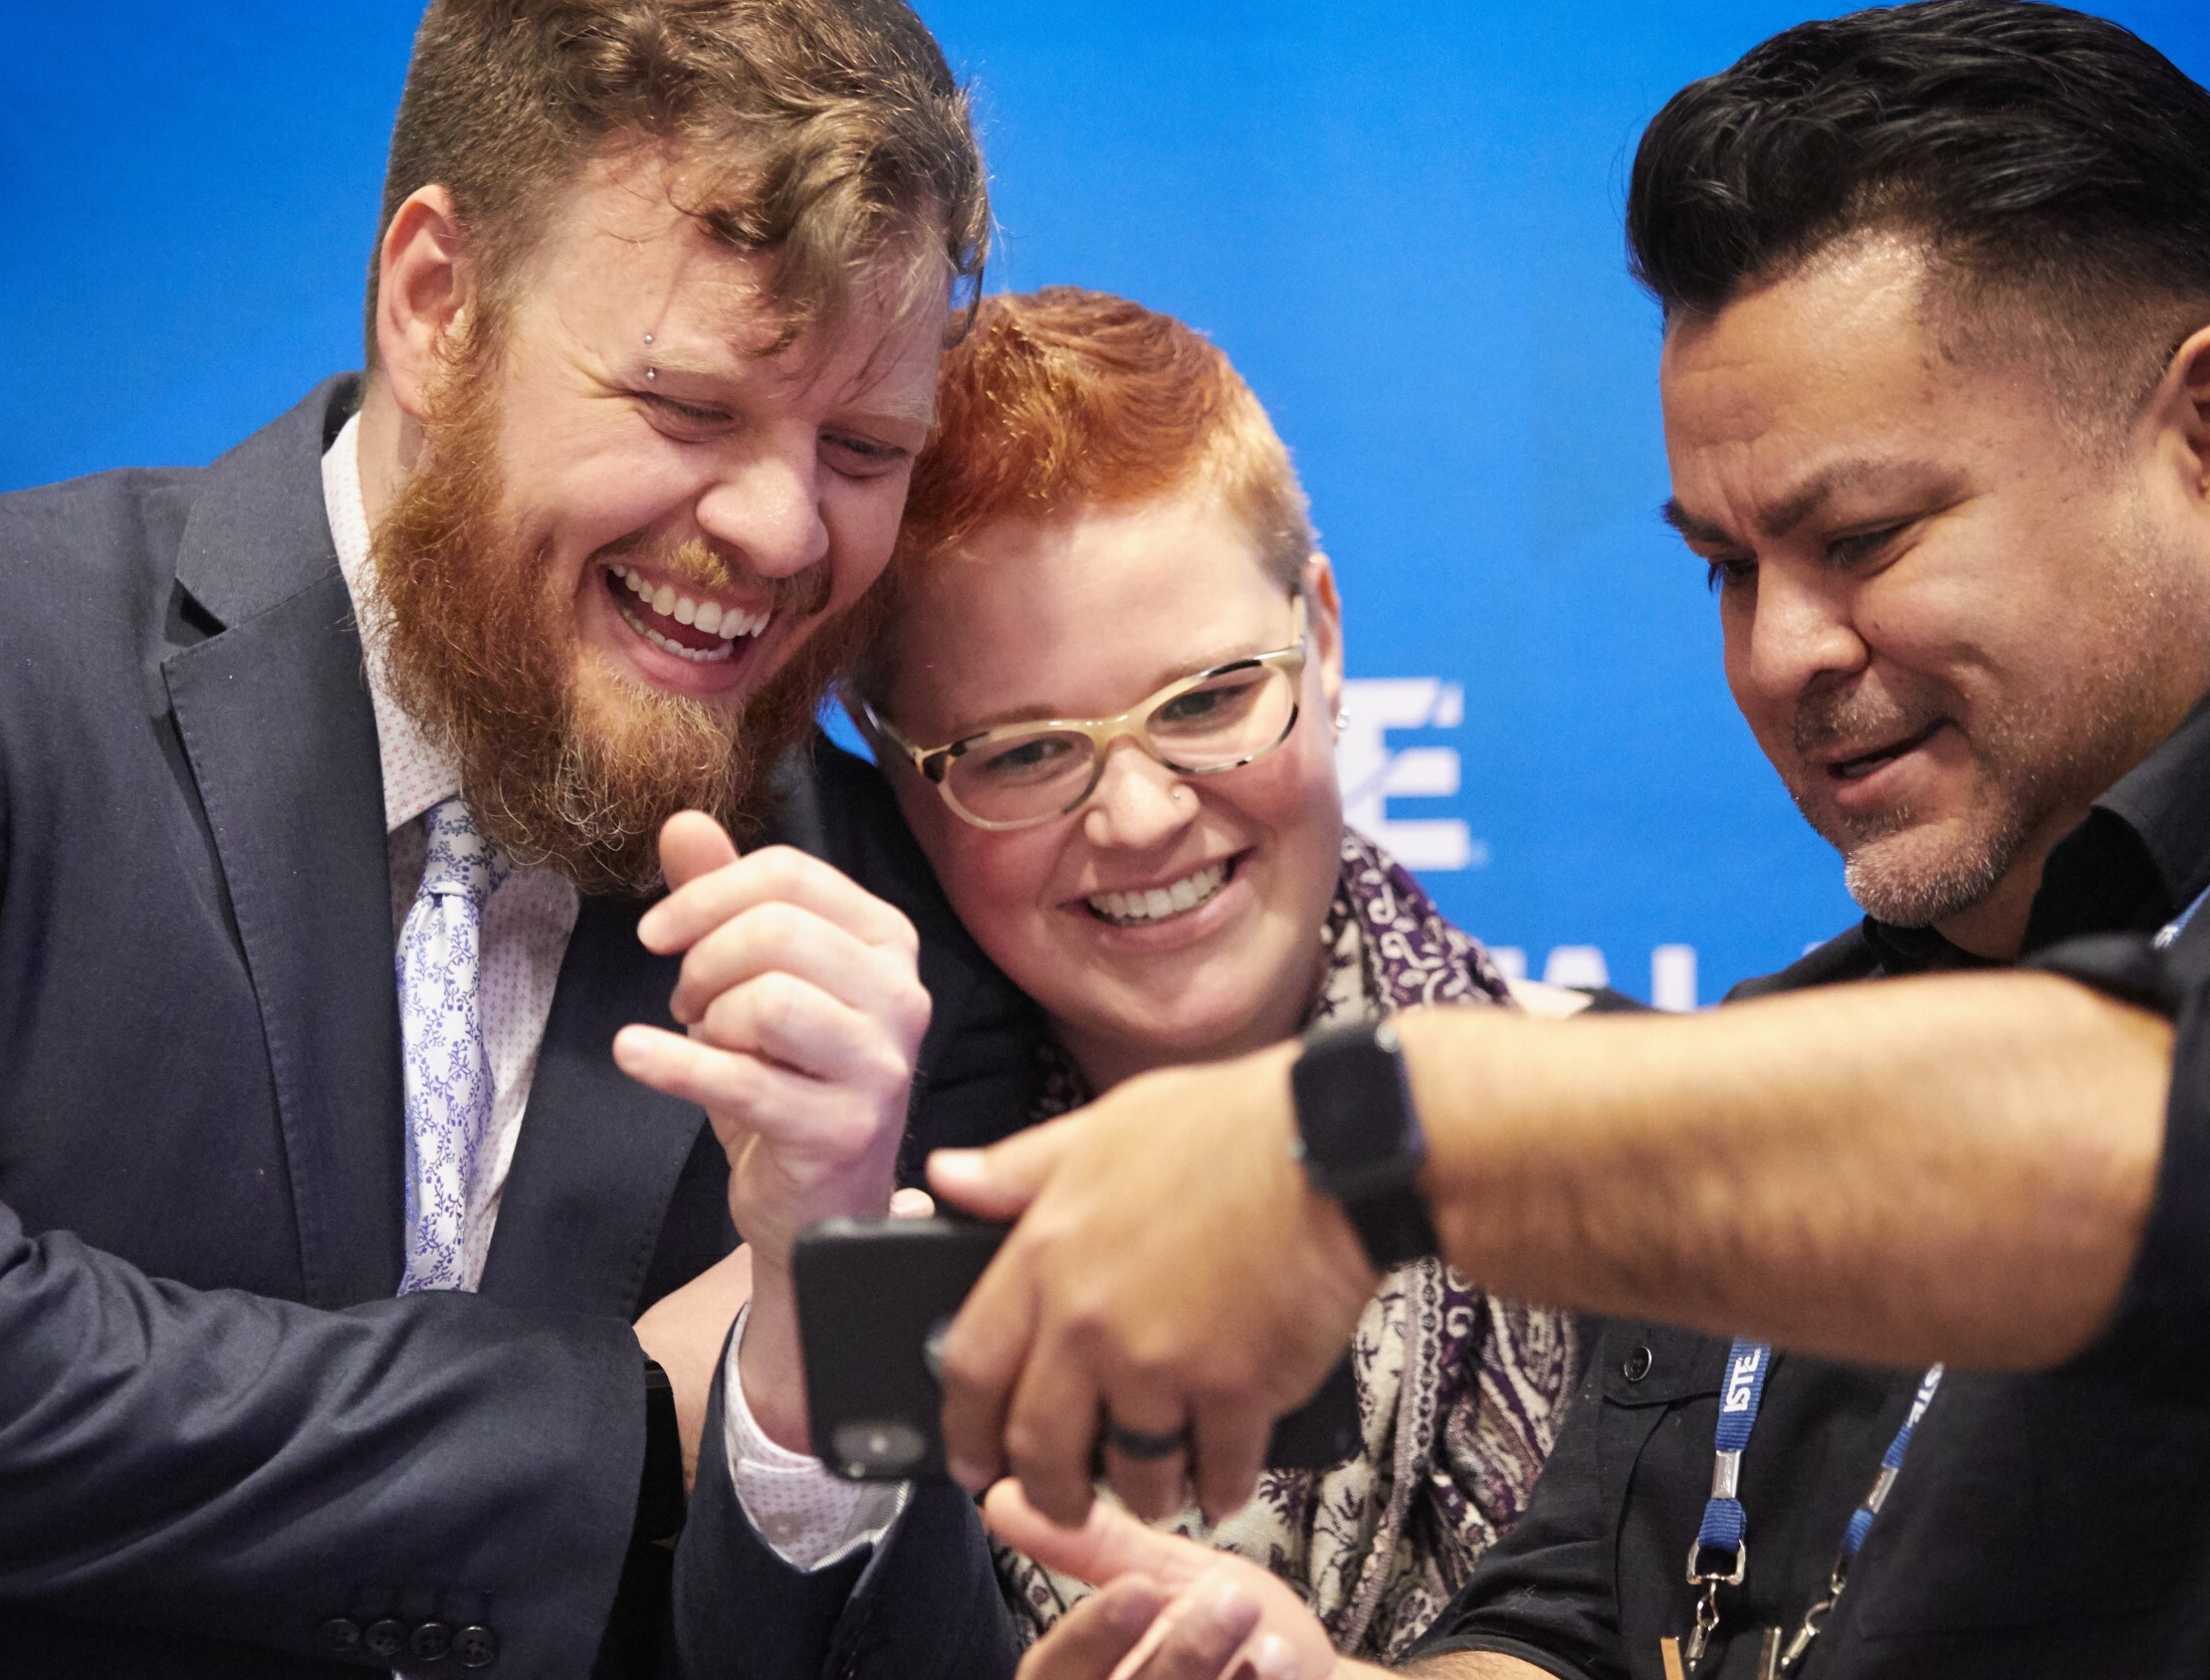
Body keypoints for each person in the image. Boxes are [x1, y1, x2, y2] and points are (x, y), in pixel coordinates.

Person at [923, 4, 2210, 1678]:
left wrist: (1360, 1149)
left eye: (1865, 536)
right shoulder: (1792, 1044)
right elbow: (1576, 1624)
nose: (1777, 655)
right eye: (1728, 568)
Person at [0, 4, 1053, 1676]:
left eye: (864, 450)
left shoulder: (877, 927)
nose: (784, 528)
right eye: (690, 405)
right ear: (439, 304)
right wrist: (628, 1426)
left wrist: (817, 1322)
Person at [661, 289, 1584, 1678]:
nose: (1143, 815)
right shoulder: (798, 1246)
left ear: (1322, 642)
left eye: (1210, 700)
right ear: (901, 781)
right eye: (1026, 753)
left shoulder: (1625, 1143)